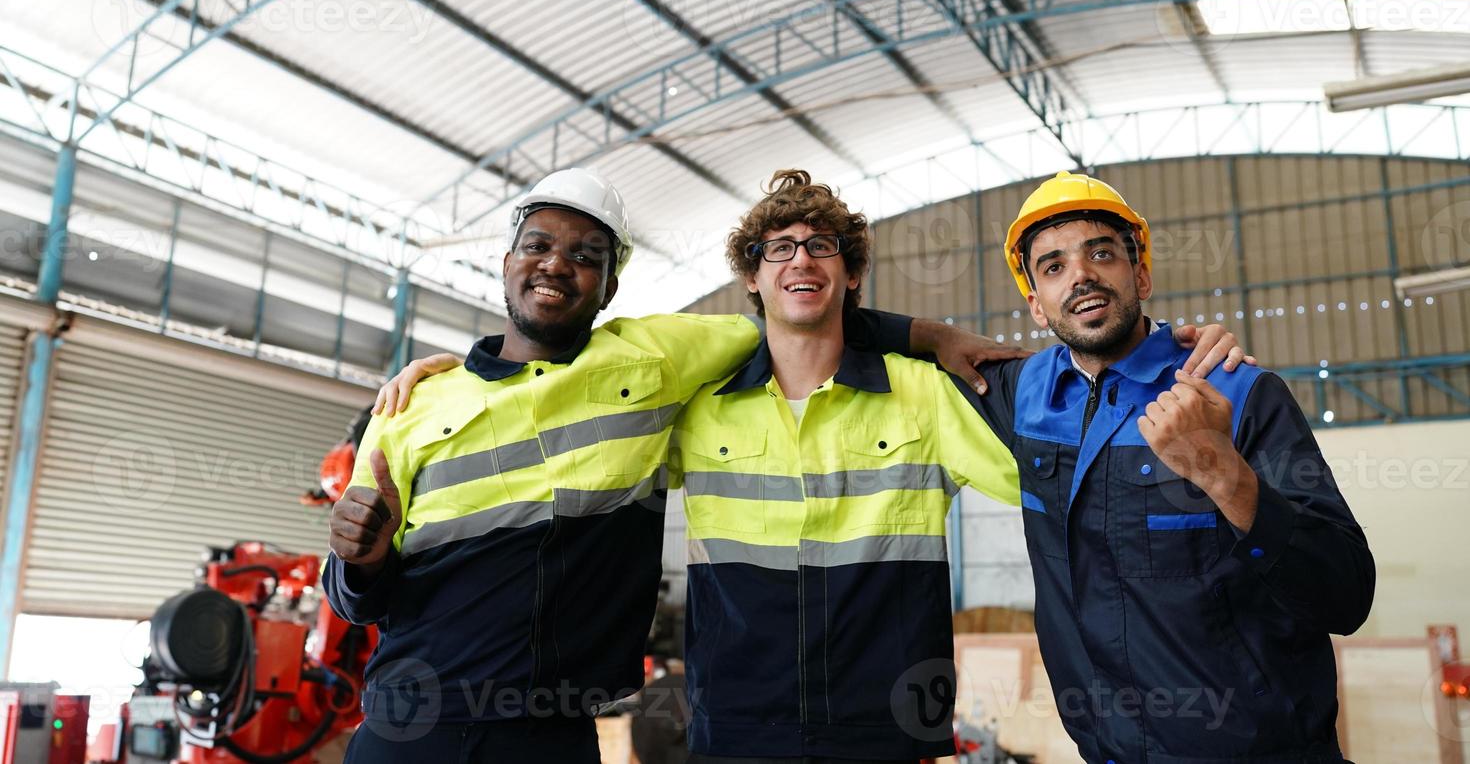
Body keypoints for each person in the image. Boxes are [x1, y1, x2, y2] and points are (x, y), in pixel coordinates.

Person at [379, 170, 1253, 764]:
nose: (801, 259)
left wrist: (1178, 394)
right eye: (778, 249)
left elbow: (1068, 483)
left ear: (851, 275)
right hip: (735, 735)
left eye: (822, 246)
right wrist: (461, 369)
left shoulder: (923, 398)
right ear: (751, 284)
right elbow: (559, 397)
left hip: (884, 732)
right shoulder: (692, 404)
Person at [323, 168, 1011, 763]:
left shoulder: (651, 366)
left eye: (585, 254)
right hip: (411, 724)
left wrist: (928, 334)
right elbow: (355, 598)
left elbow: (794, 315)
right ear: (506, 262)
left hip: (553, 735)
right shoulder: (413, 404)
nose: (558, 265)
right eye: (537, 247)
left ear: (611, 285)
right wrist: (361, 560)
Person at [959, 171, 1375, 763]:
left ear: (1142, 275)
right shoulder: (1024, 394)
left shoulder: (1236, 393)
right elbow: (844, 335)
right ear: (1035, 304)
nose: (1080, 275)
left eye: (1101, 253)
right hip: (1107, 751)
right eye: (1052, 267)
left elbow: (1346, 596)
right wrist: (929, 333)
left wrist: (1225, 475)